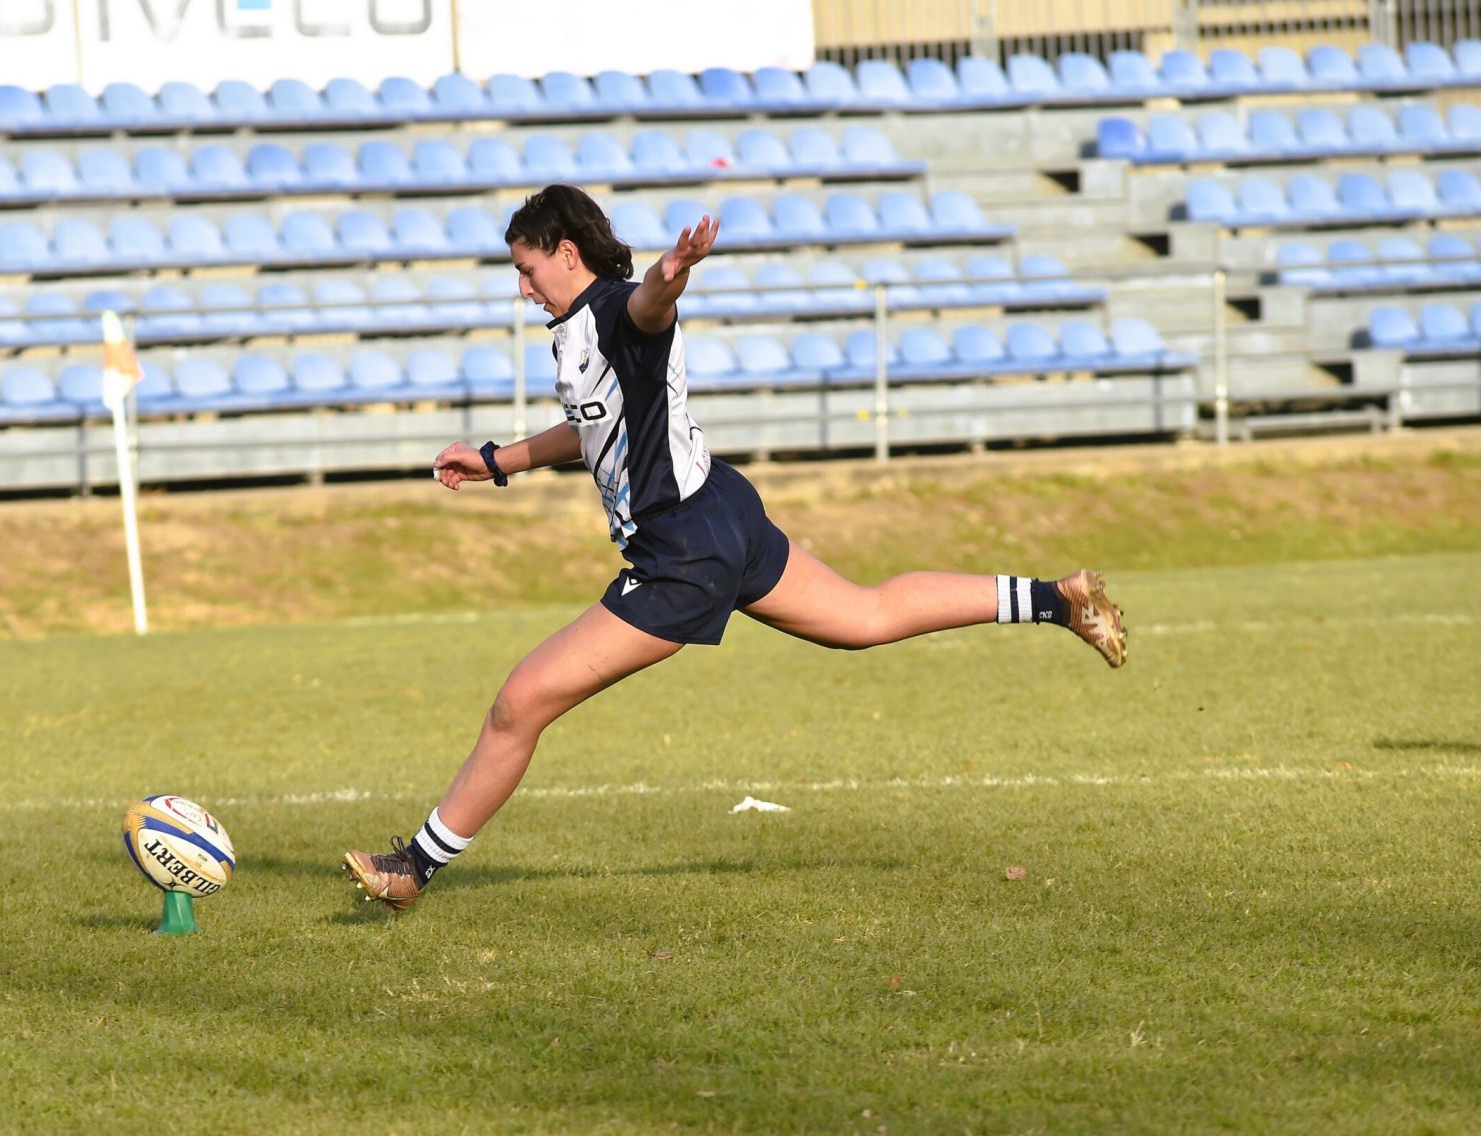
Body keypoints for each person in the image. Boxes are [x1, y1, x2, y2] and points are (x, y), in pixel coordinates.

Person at [342, 184, 1126, 912]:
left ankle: (415, 866)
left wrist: (671, 272)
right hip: (721, 510)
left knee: (520, 703)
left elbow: (650, 308)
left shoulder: (618, 308)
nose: (521, 286)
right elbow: (590, 429)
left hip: (683, 553)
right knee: (863, 615)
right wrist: (493, 461)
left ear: (566, 254)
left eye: (526, 268)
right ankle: (1057, 598)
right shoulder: (576, 330)